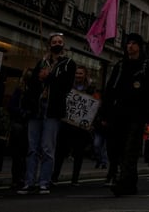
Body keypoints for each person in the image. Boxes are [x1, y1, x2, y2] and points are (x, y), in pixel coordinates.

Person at [99, 33, 149, 196]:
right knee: (115, 148)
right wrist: (104, 114)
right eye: (128, 43)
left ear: (139, 46)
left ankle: (123, 182)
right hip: (118, 114)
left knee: (129, 150)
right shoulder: (120, 65)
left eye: (133, 43)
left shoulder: (147, 66)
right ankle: (130, 182)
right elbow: (110, 89)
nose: (130, 46)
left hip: (136, 115)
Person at [18, 32, 76, 195]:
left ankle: (44, 181)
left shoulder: (68, 64)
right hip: (37, 108)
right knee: (32, 148)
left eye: (60, 41)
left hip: (52, 110)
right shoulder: (42, 62)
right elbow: (34, 84)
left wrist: (49, 77)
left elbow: (65, 86)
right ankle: (29, 182)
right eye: (54, 41)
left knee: (47, 148)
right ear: (49, 45)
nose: (57, 43)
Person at [52, 64, 94, 186]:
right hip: (66, 123)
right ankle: (55, 176)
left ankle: (75, 179)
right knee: (60, 151)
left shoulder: (90, 89)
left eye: (81, 73)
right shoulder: (67, 85)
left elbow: (92, 106)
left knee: (78, 153)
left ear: (85, 75)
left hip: (80, 127)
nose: (78, 75)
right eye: (76, 73)